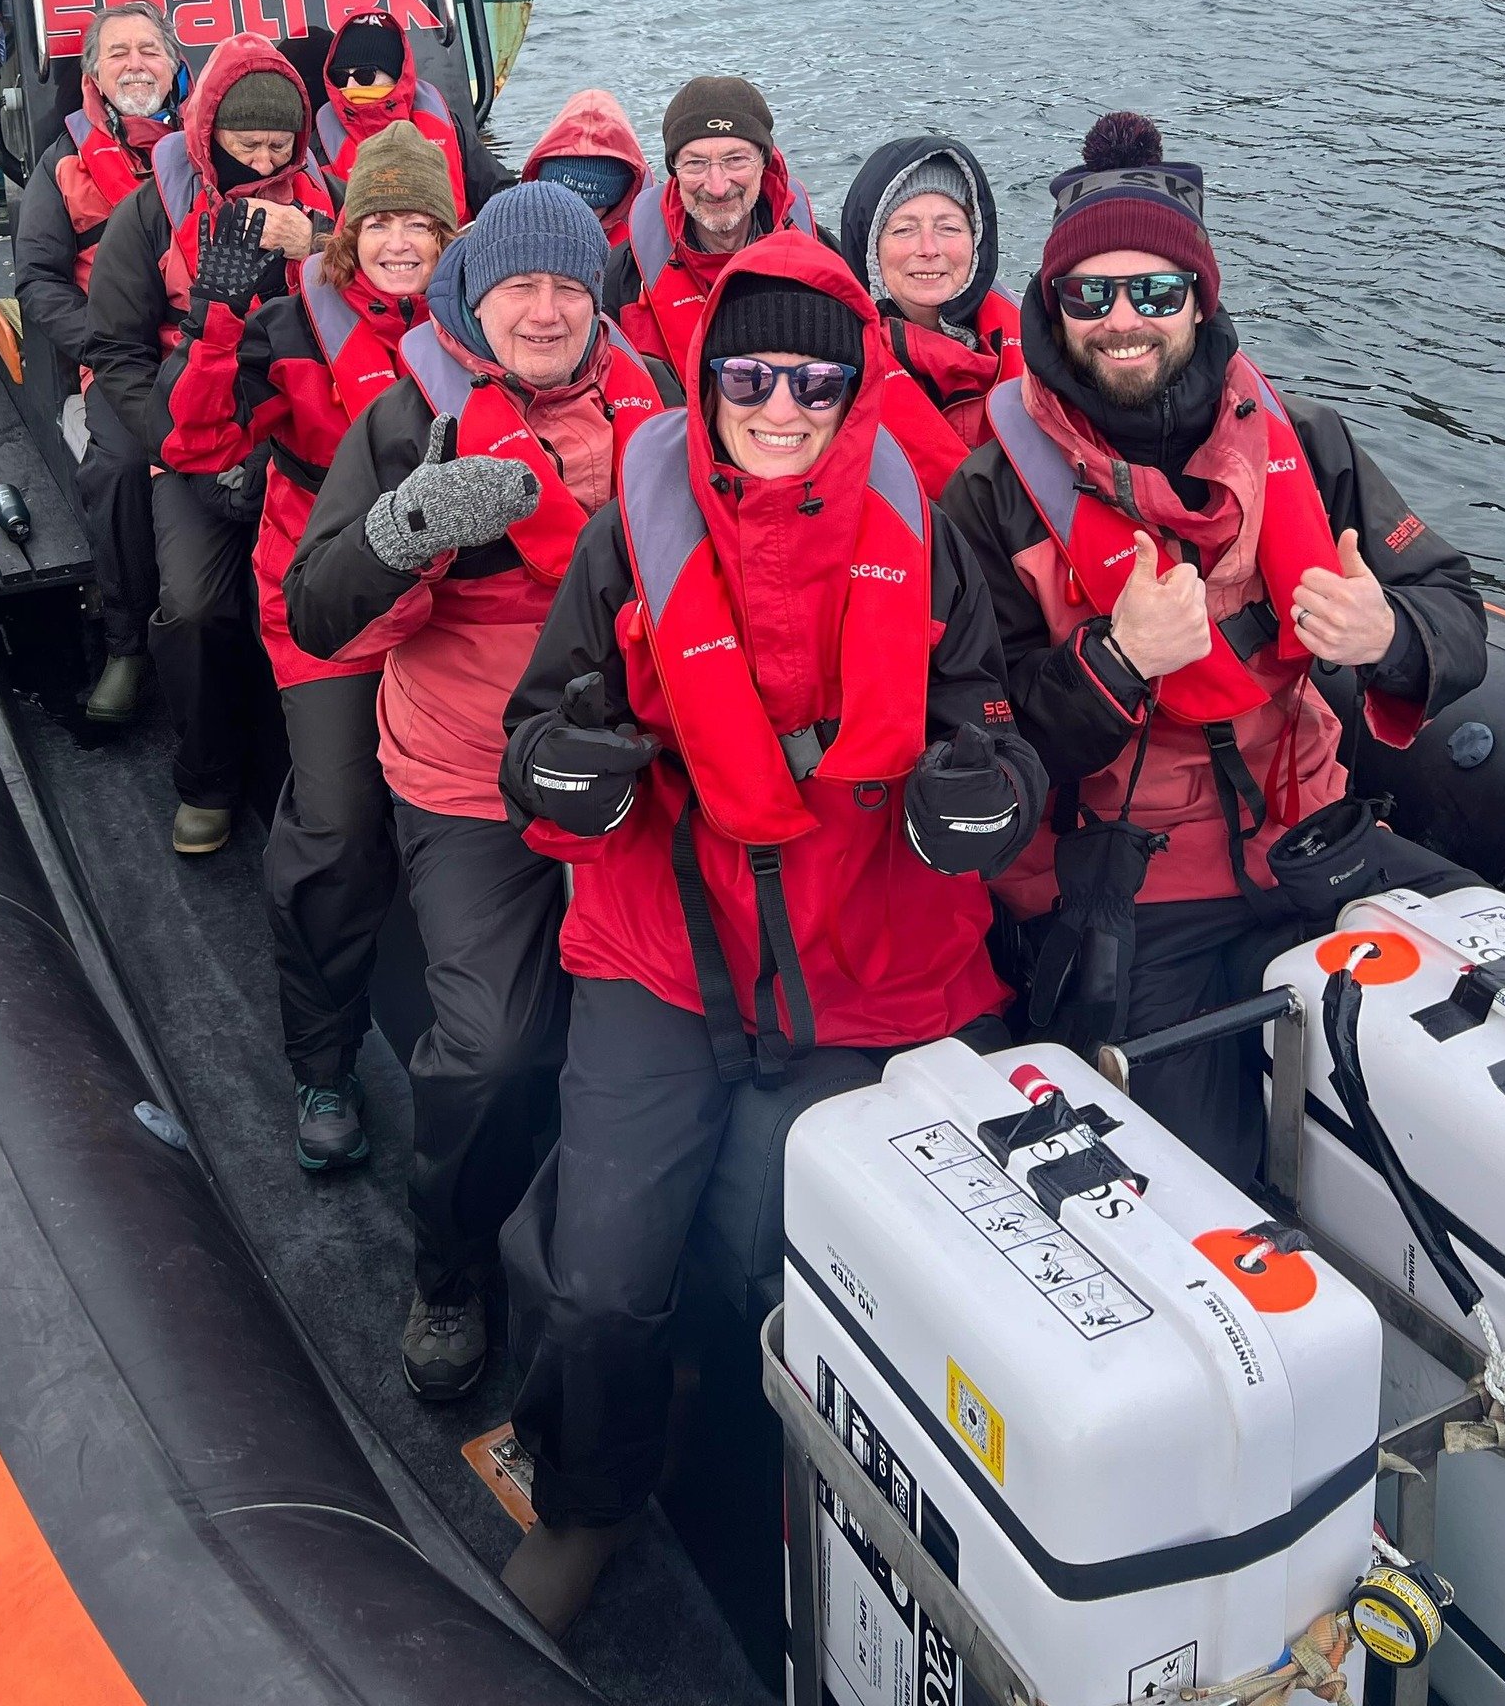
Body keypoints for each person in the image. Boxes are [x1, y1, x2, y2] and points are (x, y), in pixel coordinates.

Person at [494, 230, 1048, 1637]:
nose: (783, 408)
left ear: (856, 388)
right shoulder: (631, 529)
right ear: (706, 375)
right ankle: (589, 1497)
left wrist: (984, 783)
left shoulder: (924, 534)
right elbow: (535, 733)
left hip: (877, 956)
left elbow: (986, 716)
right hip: (663, 945)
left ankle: (807, 1511)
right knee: (606, 1281)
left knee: (798, 1260)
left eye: (816, 382)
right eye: (752, 375)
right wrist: (566, 764)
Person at [942, 113, 1487, 1186]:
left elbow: (1454, 606)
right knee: (1199, 1185)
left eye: (1153, 292)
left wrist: (1388, 637)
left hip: (1314, 833)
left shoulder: (1308, 443)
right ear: (1052, 310)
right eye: (1089, 295)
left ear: (1199, 299)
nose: (1122, 320)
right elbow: (982, 748)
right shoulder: (990, 498)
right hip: (1135, 888)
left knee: (1499, 1016)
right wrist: (1113, 662)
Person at [287, 182, 666, 1403]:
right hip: (471, 777)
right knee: (492, 1047)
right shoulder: (410, 422)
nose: (547, 310)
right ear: (472, 297)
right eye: (521, 287)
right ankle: (448, 1269)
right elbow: (317, 606)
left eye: (569, 286)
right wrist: (406, 531)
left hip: (637, 761)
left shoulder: (658, 409)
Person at [152, 121, 459, 1170]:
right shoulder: (287, 330)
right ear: (348, 235)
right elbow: (192, 440)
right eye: (381, 221)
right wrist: (215, 317)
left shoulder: (480, 334)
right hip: (328, 611)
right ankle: (323, 1061)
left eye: (421, 221)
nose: (401, 240)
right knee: (333, 826)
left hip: (452, 611)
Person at [86, 32, 336, 853]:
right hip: (191, 430)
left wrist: (325, 248)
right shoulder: (148, 214)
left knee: (337, 595)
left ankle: (329, 773)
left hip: (304, 436)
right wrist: (172, 439)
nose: (263, 159)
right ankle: (207, 780)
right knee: (193, 606)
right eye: (245, 142)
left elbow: (402, 288)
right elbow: (116, 350)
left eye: (279, 144)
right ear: (208, 134)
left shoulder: (333, 204)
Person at [13, 0, 184, 723]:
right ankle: (125, 645)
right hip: (116, 359)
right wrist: (105, 343)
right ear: (92, 73)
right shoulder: (63, 164)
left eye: (150, 49)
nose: (136, 63)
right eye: (118, 52)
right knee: (117, 467)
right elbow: (37, 280)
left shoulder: (217, 146)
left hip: (206, 345)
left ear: (176, 66)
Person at [603, 75, 829, 374]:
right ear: (674, 172)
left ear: (765, 162)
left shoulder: (822, 257)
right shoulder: (621, 278)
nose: (717, 186)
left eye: (735, 160)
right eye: (695, 163)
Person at [839, 135, 1021, 493]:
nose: (928, 249)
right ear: (870, 247)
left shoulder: (1041, 343)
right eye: (904, 229)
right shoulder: (834, 369)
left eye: (948, 227)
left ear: (977, 238)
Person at [313, 9, 511, 225]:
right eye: (341, 77)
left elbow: (501, 192)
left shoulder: (443, 121)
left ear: (396, 75)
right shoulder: (320, 143)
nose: (350, 87)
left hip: (452, 250)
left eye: (364, 75)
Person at [519, 88, 649, 246]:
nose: (576, 218)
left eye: (592, 208)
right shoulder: (511, 221)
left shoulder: (649, 235)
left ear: (618, 199)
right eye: (563, 204)